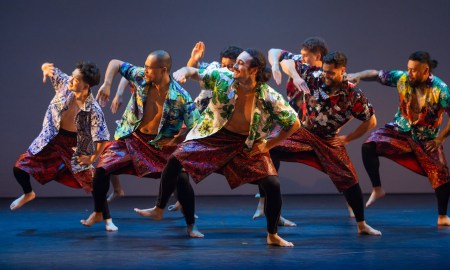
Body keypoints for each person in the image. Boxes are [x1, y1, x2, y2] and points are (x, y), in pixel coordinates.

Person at [133, 48, 300, 247]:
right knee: (175, 159)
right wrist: (184, 72)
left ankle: (272, 235)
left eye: (240, 64)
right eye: (235, 62)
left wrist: (269, 144)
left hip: (244, 144)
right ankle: (159, 208)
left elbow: (294, 123)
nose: (235, 67)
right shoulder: (223, 77)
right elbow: (195, 72)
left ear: (254, 70)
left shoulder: (268, 96)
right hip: (215, 136)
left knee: (272, 185)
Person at [81, 50, 203, 237]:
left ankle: (191, 225)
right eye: (144, 66)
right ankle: (99, 212)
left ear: (163, 70)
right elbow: (115, 61)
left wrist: (180, 140)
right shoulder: (140, 77)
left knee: (182, 179)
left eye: (149, 67)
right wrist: (107, 84)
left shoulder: (180, 96)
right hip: (133, 139)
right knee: (101, 169)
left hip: (162, 146)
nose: (144, 70)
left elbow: (197, 127)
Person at [270, 51, 382, 235]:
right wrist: (296, 77)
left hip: (328, 140)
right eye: (325, 71)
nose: (326, 75)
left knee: (350, 180)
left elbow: (371, 121)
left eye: (331, 73)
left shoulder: (353, 94)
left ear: (342, 71)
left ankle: (362, 225)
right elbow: (287, 62)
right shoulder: (314, 76)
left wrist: (348, 138)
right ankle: (271, 210)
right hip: (304, 133)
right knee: (269, 147)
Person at [347, 51, 450, 226]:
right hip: (399, 130)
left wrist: (440, 138)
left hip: (426, 138)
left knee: (441, 174)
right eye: (408, 69)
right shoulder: (402, 78)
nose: (410, 73)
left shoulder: (440, 89)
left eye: (414, 70)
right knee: (369, 146)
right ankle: (377, 189)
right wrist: (357, 75)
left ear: (426, 70)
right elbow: (376, 74)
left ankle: (442, 216)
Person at [11, 61, 112, 228]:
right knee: (19, 167)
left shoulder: (94, 109)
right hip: (52, 139)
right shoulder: (65, 83)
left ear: (86, 86)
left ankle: (106, 219)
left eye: (75, 79)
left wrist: (92, 157)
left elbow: (103, 139)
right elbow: (48, 67)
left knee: (94, 182)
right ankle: (28, 193)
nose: (70, 80)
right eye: (71, 76)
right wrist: (44, 68)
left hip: (74, 144)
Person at [250, 37, 331, 224]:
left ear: (318, 56)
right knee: (269, 153)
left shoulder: (323, 72)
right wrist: (279, 68)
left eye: (305, 55)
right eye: (300, 55)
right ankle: (266, 205)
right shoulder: (300, 64)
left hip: (314, 127)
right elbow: (276, 52)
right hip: (290, 121)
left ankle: (353, 209)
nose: (301, 57)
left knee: (334, 164)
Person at [167, 41, 243, 213]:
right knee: (172, 154)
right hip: (197, 116)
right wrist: (193, 58)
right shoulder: (215, 68)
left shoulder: (240, 79)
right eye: (224, 64)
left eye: (230, 66)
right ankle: (180, 199)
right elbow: (193, 71)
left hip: (217, 124)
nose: (226, 68)